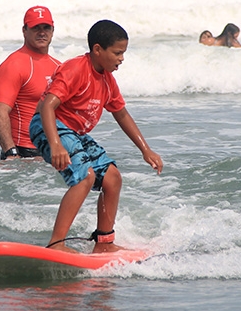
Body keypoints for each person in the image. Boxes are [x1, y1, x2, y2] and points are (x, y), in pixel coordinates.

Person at [29, 19, 163, 254]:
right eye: (118, 52)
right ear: (98, 50)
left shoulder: (108, 81)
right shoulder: (75, 70)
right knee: (85, 177)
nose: (122, 58)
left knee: (112, 177)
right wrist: (56, 144)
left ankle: (104, 243)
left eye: (124, 53)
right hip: (49, 126)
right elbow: (48, 107)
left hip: (75, 132)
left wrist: (146, 149)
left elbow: (121, 114)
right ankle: (56, 243)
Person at [0, 6, 61, 160]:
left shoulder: (58, 67)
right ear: (24, 30)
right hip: (23, 154)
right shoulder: (14, 64)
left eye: (46, 27)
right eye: (36, 28)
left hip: (52, 153)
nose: (42, 32)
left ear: (52, 31)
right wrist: (11, 152)